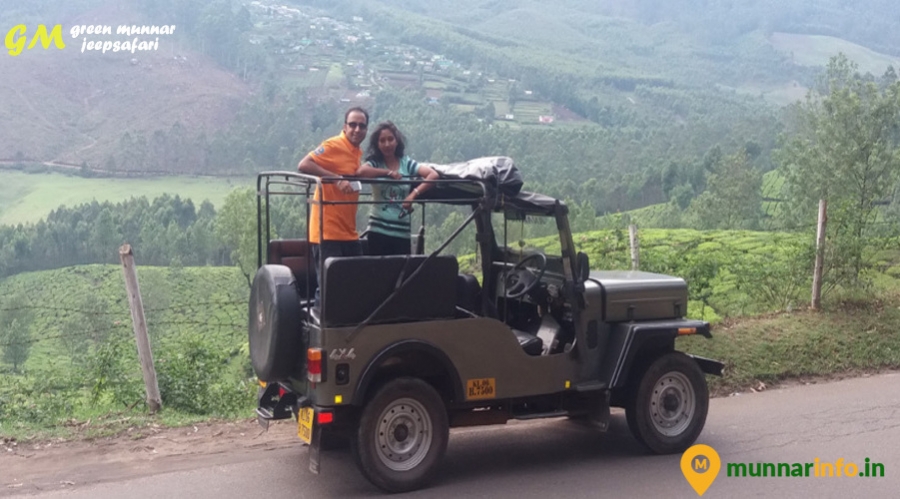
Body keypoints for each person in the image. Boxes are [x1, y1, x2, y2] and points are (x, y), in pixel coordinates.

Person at [298, 107, 369, 302]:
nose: (357, 129)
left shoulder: (356, 151)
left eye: (361, 126)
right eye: (352, 124)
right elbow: (304, 164)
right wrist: (336, 178)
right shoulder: (333, 144)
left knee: (356, 282)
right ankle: (323, 330)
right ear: (344, 127)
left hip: (348, 231)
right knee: (330, 286)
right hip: (326, 231)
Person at [355, 121, 440, 255]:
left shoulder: (406, 163)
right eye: (382, 140)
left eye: (390, 139)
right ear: (377, 144)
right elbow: (361, 172)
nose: (387, 144)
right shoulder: (375, 163)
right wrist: (387, 173)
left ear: (397, 141)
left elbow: (433, 175)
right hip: (378, 230)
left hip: (402, 232)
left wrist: (413, 195)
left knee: (401, 273)